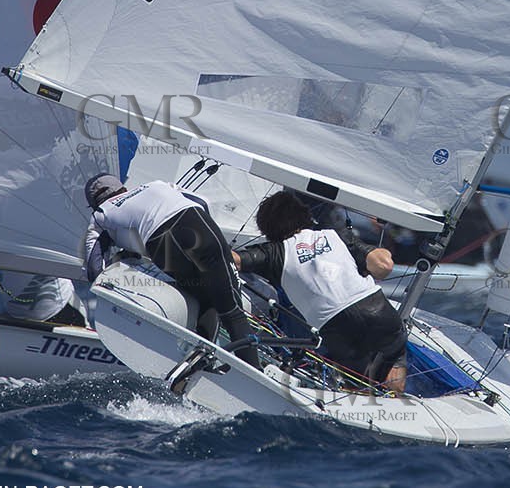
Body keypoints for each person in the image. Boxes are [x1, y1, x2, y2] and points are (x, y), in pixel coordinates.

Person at [81, 130, 261, 368]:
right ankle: (248, 367)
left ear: (94, 202)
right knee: (229, 307)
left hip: (163, 243)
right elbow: (201, 202)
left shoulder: (101, 214)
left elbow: (95, 267)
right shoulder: (155, 185)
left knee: (202, 295)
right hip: (198, 224)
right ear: (122, 188)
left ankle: (204, 360)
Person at [233, 191, 407, 393]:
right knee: (393, 357)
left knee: (358, 384)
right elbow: (383, 267)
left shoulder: (272, 252)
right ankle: (396, 400)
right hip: (377, 310)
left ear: (267, 229)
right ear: (305, 216)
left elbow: (234, 259)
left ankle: (361, 406)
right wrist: (381, 251)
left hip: (335, 327)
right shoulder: (336, 236)